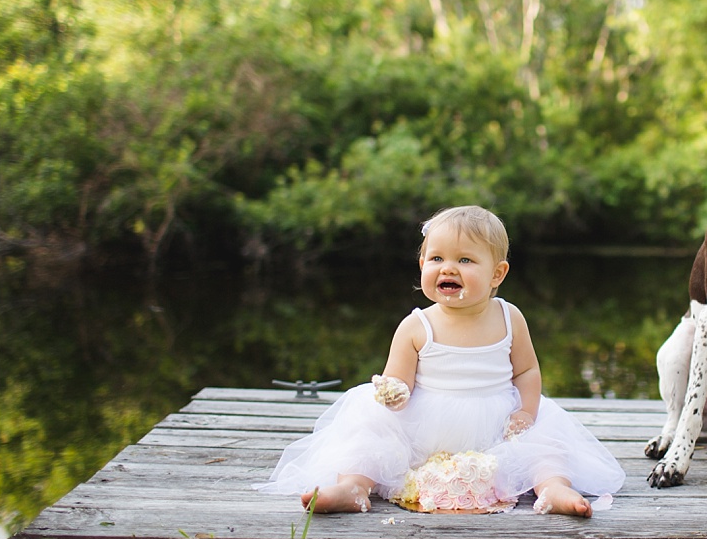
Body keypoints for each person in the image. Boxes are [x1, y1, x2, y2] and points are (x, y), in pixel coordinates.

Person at [255, 205, 625, 517]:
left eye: (464, 259)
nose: (448, 268)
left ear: (497, 273)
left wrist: (526, 412)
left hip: (496, 422)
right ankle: (353, 487)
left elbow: (527, 370)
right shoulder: (417, 325)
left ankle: (552, 488)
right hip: (425, 428)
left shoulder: (509, 317)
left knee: (546, 437)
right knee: (370, 425)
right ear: (421, 265)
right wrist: (394, 394)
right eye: (436, 258)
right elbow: (397, 380)